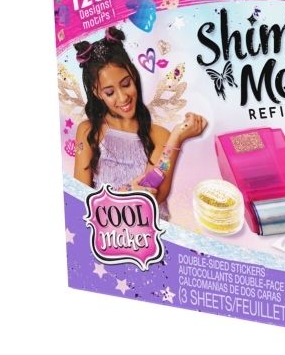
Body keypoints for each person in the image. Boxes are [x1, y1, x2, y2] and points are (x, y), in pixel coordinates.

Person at [73, 27, 205, 219]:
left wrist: (177, 137)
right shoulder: (88, 132)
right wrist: (126, 192)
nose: (122, 97)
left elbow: (156, 195)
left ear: (133, 75)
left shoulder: (159, 135)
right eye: (109, 92)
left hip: (152, 231)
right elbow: (80, 201)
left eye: (126, 84)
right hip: (109, 231)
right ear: (97, 92)